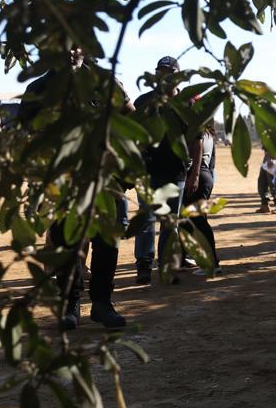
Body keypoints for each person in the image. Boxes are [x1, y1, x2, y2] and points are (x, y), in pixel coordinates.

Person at [21, 48, 133, 329]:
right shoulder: (38, 89)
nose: (71, 50)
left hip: (104, 180)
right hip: (62, 184)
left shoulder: (104, 82)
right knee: (65, 244)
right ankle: (70, 305)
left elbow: (131, 118)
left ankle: (102, 303)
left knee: (106, 243)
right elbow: (24, 137)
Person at [133, 56, 193, 285]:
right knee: (146, 220)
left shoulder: (187, 104)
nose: (164, 76)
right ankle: (144, 266)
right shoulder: (143, 102)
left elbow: (196, 139)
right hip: (147, 172)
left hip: (176, 173)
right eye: (160, 72)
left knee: (170, 223)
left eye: (169, 72)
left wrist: (195, 171)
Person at [182, 124, 221, 273]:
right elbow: (212, 163)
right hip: (205, 176)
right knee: (197, 221)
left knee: (198, 222)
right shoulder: (209, 134)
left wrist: (194, 176)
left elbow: (192, 154)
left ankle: (212, 263)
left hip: (196, 176)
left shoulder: (197, 132)